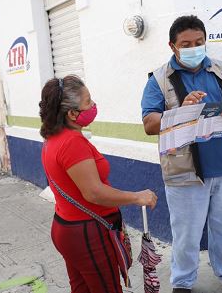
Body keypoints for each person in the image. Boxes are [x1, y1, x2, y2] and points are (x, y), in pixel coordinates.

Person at [141, 15, 222, 293]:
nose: (194, 47)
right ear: (173, 46)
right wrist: (180, 112)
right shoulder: (159, 79)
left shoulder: (221, 70)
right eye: (186, 44)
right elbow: (149, 124)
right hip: (184, 172)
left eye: (199, 42)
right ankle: (182, 281)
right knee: (186, 235)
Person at [39, 75, 158, 293]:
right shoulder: (72, 143)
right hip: (86, 234)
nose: (93, 105)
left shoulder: (53, 138)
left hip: (67, 228)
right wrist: (137, 196)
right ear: (72, 113)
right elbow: (93, 193)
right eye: (88, 102)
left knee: (82, 289)